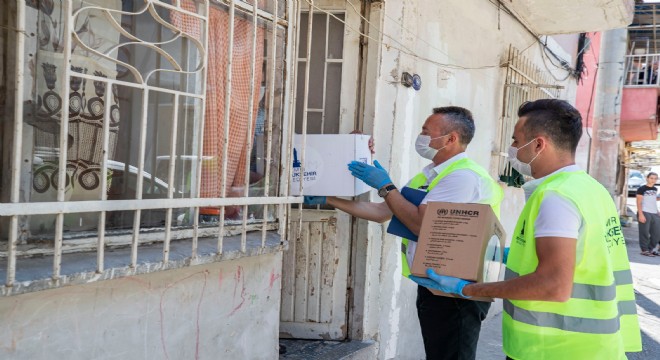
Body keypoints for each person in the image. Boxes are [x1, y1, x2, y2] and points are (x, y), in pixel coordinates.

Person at [409, 99, 642, 359]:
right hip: (593, 346)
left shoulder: (556, 196)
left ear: (539, 144)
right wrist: (512, 254)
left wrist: (467, 289)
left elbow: (553, 285)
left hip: (552, 348)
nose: (512, 150)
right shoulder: (590, 189)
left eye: (516, 141)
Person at [305, 106, 503, 359]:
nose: (420, 137)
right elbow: (382, 211)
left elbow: (422, 226)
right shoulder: (430, 175)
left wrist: (386, 186)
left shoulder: (462, 178)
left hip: (456, 291)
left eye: (425, 131)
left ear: (451, 139)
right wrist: (330, 199)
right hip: (436, 285)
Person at [636, 172, 660, 257]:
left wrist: (657, 211)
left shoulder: (655, 189)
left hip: (654, 213)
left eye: (655, 178)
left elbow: (652, 201)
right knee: (644, 233)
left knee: (657, 233)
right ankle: (644, 250)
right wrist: (641, 214)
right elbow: (639, 202)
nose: (653, 180)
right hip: (644, 212)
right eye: (651, 178)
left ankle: (650, 249)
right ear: (647, 178)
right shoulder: (642, 189)